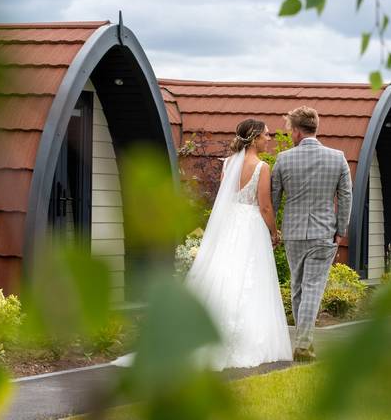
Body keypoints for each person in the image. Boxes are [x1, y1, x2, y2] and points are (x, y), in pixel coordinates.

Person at [114, 118, 292, 370]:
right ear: (254, 138)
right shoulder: (261, 167)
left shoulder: (229, 163)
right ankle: (242, 341)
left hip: (229, 225)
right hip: (250, 227)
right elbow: (264, 206)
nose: (269, 139)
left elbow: (226, 197)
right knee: (249, 279)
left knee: (222, 274)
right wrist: (274, 232)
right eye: (266, 135)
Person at [271, 106, 352, 362]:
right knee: (313, 287)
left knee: (297, 286)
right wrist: (341, 230)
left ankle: (302, 341)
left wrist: (271, 229)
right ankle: (303, 344)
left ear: (296, 131)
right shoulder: (337, 157)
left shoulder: (284, 159)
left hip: (293, 232)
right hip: (324, 232)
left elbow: (273, 198)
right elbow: (346, 196)